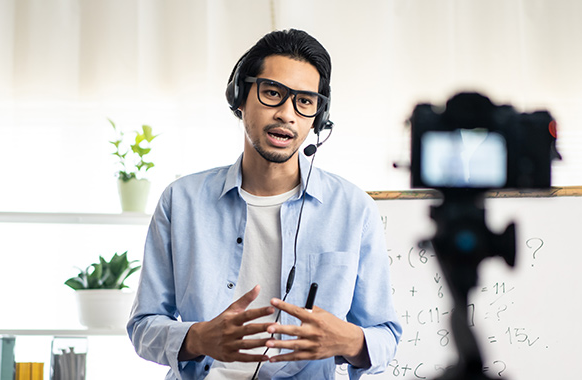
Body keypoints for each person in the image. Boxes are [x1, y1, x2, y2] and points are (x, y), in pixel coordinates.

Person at [127, 28, 401, 380]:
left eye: (304, 101)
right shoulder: (181, 201)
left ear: (318, 117)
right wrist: (197, 338)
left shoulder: (353, 209)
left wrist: (349, 341)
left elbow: (386, 336)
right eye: (273, 93)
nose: (287, 114)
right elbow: (143, 327)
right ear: (240, 97)